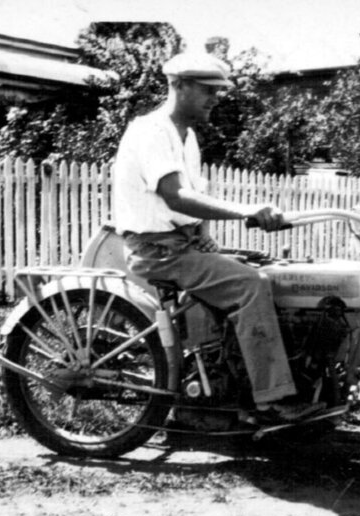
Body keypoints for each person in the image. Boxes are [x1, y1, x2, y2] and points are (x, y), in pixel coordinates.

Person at [113, 52, 324, 423]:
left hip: (179, 244)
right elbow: (176, 196)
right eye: (207, 90)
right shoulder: (152, 131)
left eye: (217, 91)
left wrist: (203, 233)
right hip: (158, 251)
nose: (215, 98)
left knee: (268, 272)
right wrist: (245, 211)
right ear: (178, 85)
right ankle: (270, 401)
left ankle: (231, 387)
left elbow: (194, 195)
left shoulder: (187, 137)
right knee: (250, 285)